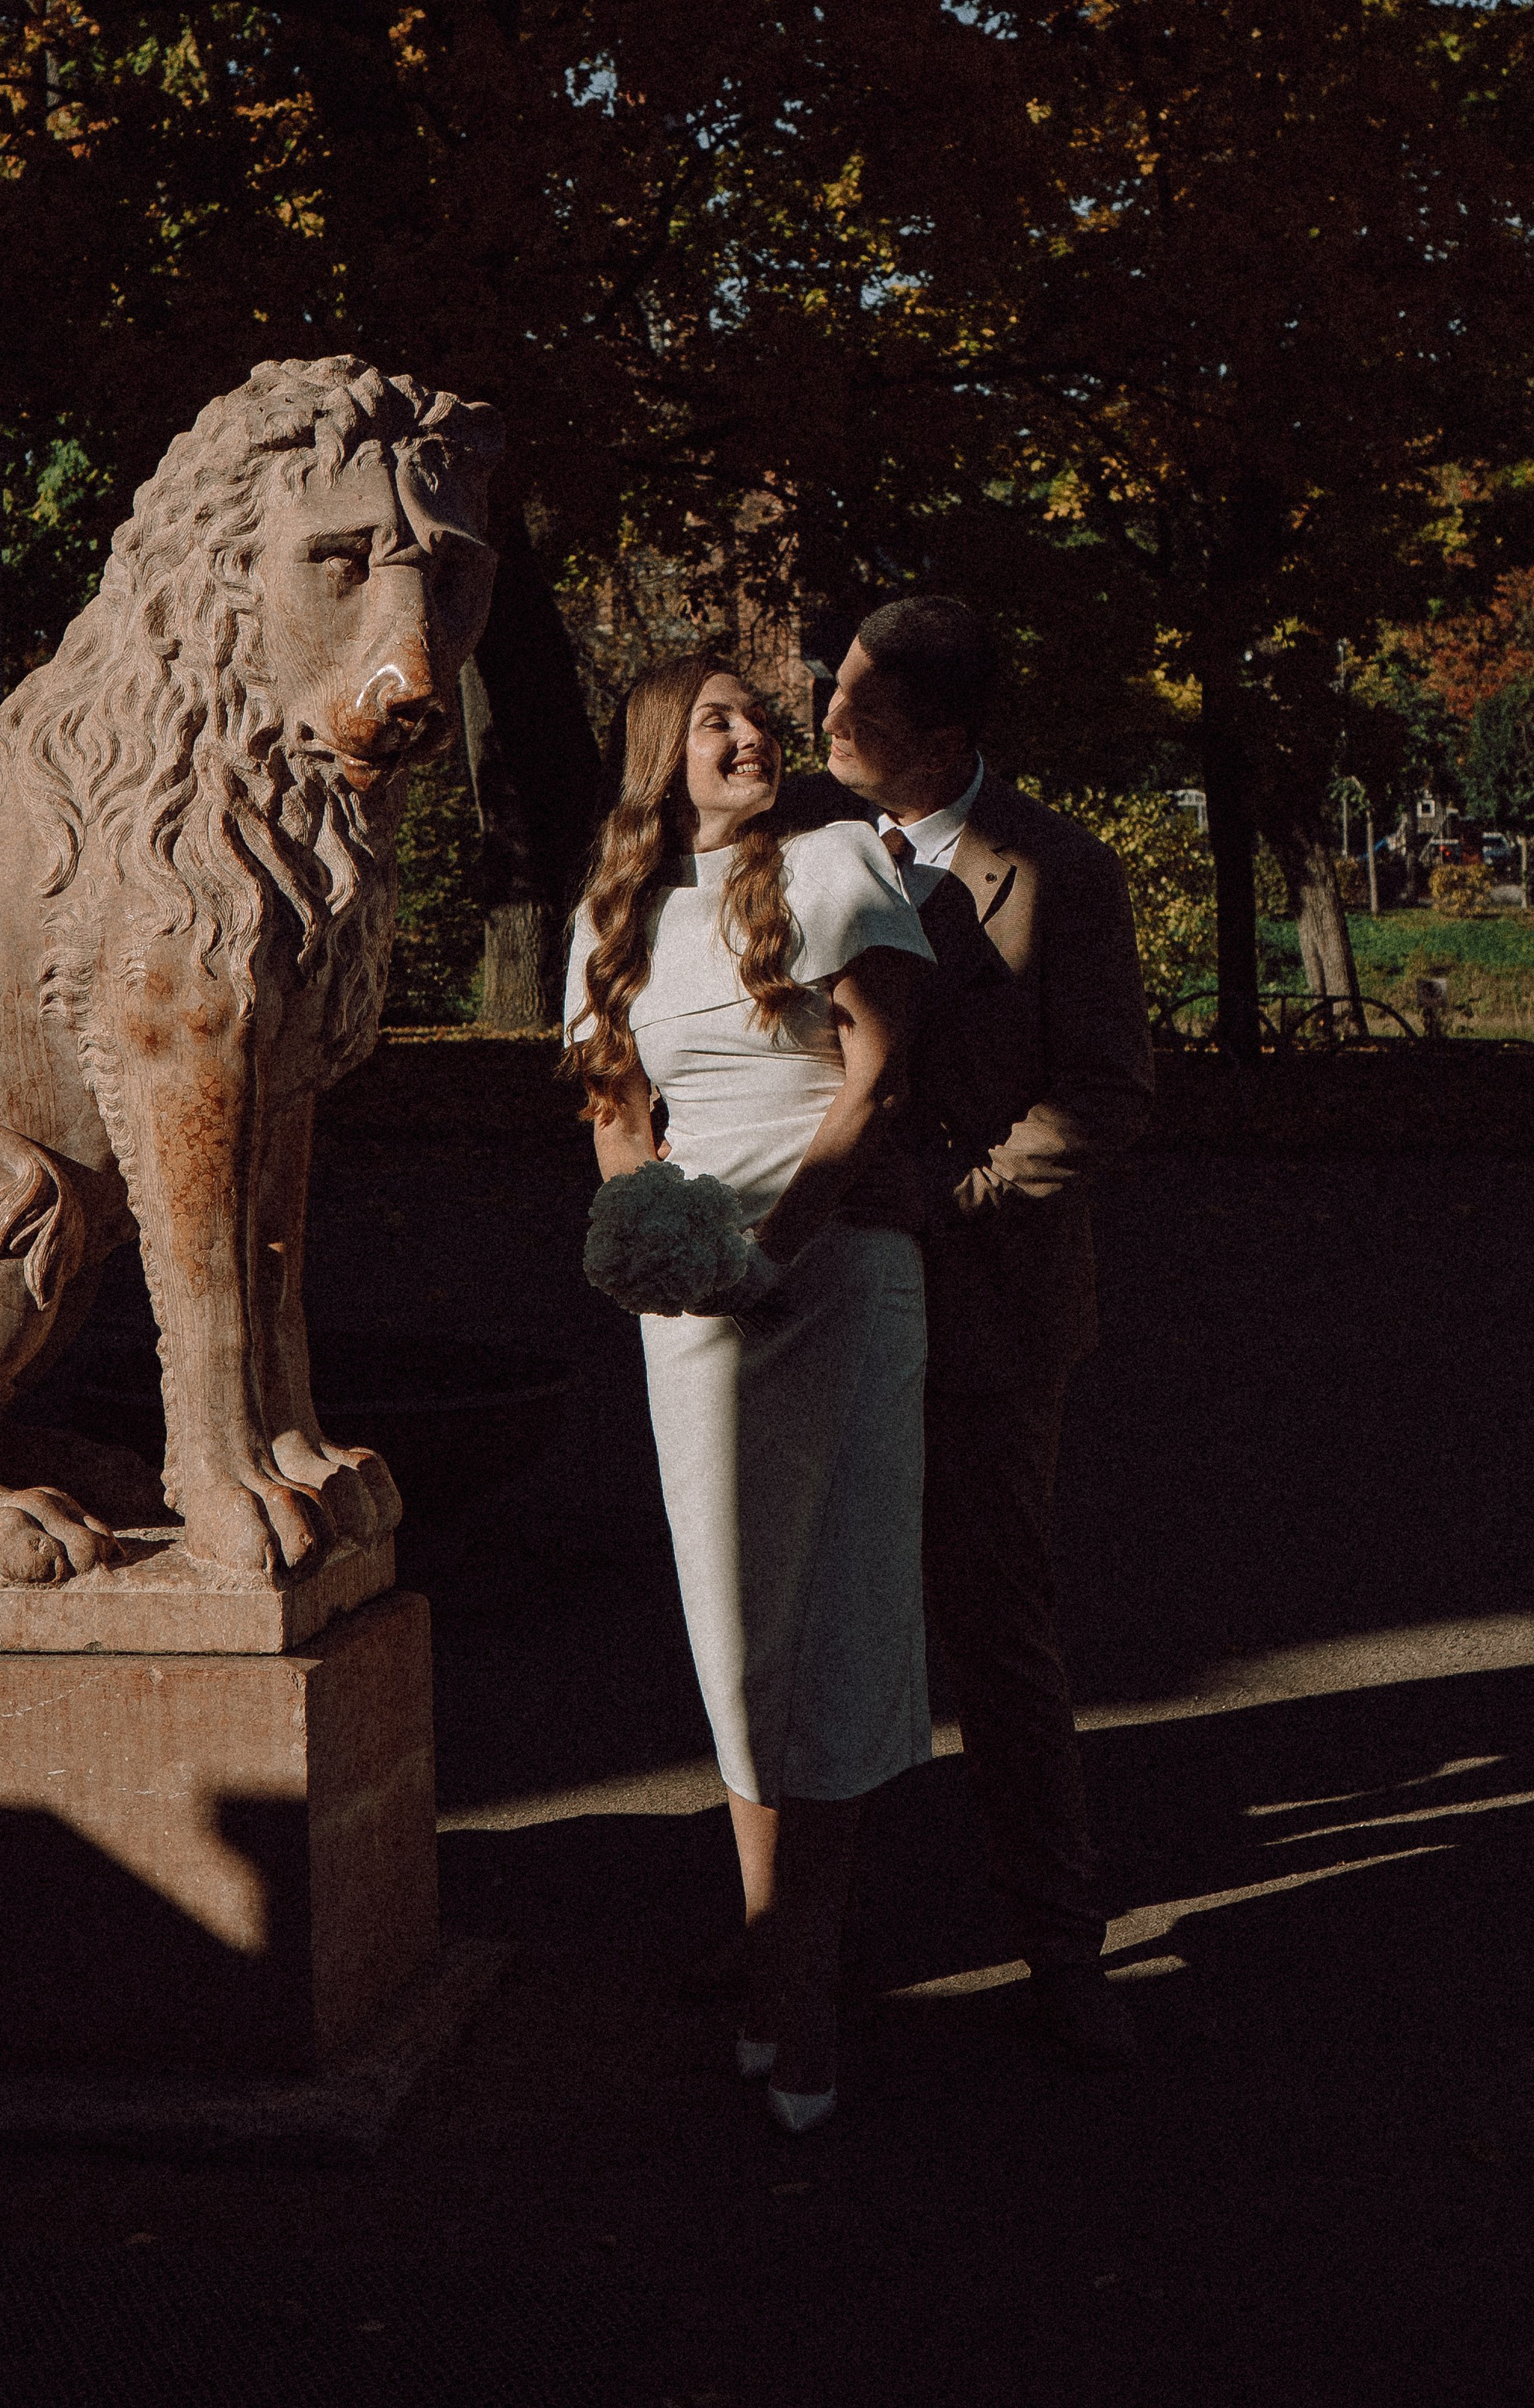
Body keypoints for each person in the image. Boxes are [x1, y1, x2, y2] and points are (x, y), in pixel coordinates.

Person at [563, 647, 936, 2134]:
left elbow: (880, 1075)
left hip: (839, 1280)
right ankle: (779, 1954)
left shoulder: (837, 860)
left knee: (833, 1624)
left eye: (756, 716)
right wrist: (662, 1247)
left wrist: (780, 1244)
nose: (750, 732)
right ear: (659, 752)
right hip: (703, 1301)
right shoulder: (616, 923)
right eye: (714, 717)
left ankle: (806, 1994)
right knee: (733, 1637)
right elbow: (614, 1117)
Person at [824, 594, 1155, 2064]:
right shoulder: (797, 855)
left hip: (989, 1312)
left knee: (999, 1637)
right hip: (819, 1306)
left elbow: (1107, 1091)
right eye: (832, 692)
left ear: (948, 738)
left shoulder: (1061, 871)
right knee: (813, 1621)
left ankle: (1062, 1954)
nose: (827, 724)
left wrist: (949, 1199)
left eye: (864, 710)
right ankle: (795, 1953)